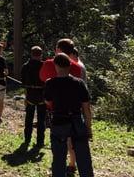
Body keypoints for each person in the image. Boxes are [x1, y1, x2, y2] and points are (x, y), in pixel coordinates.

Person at [44, 54, 94, 177]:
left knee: (59, 159)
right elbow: (86, 109)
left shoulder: (50, 83)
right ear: (70, 65)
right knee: (84, 159)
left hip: (59, 121)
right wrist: (88, 128)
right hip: (77, 121)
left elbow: (48, 102)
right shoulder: (79, 83)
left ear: (55, 65)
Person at [40, 38, 84, 173]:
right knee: (72, 139)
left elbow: (42, 77)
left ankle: (59, 166)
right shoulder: (77, 66)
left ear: (58, 49)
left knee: (58, 140)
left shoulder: (49, 64)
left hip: (55, 109)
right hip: (73, 109)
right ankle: (72, 164)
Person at [21, 46, 46, 147]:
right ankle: (40, 141)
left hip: (30, 95)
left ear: (31, 54)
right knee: (41, 120)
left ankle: (27, 139)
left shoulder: (25, 66)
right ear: (41, 55)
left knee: (29, 119)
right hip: (42, 96)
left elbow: (23, 82)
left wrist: (26, 96)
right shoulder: (45, 66)